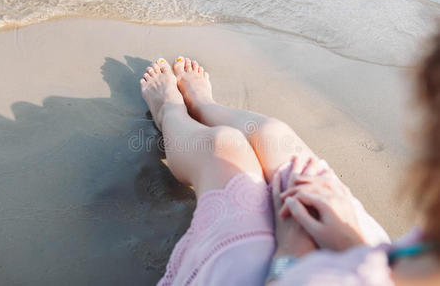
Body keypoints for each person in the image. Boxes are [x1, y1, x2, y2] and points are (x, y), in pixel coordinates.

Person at [139, 33, 439, 284]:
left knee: (223, 147)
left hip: (294, 274)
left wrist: (290, 257)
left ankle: (169, 111)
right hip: (362, 253)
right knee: (272, 134)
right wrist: (352, 243)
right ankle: (203, 104)